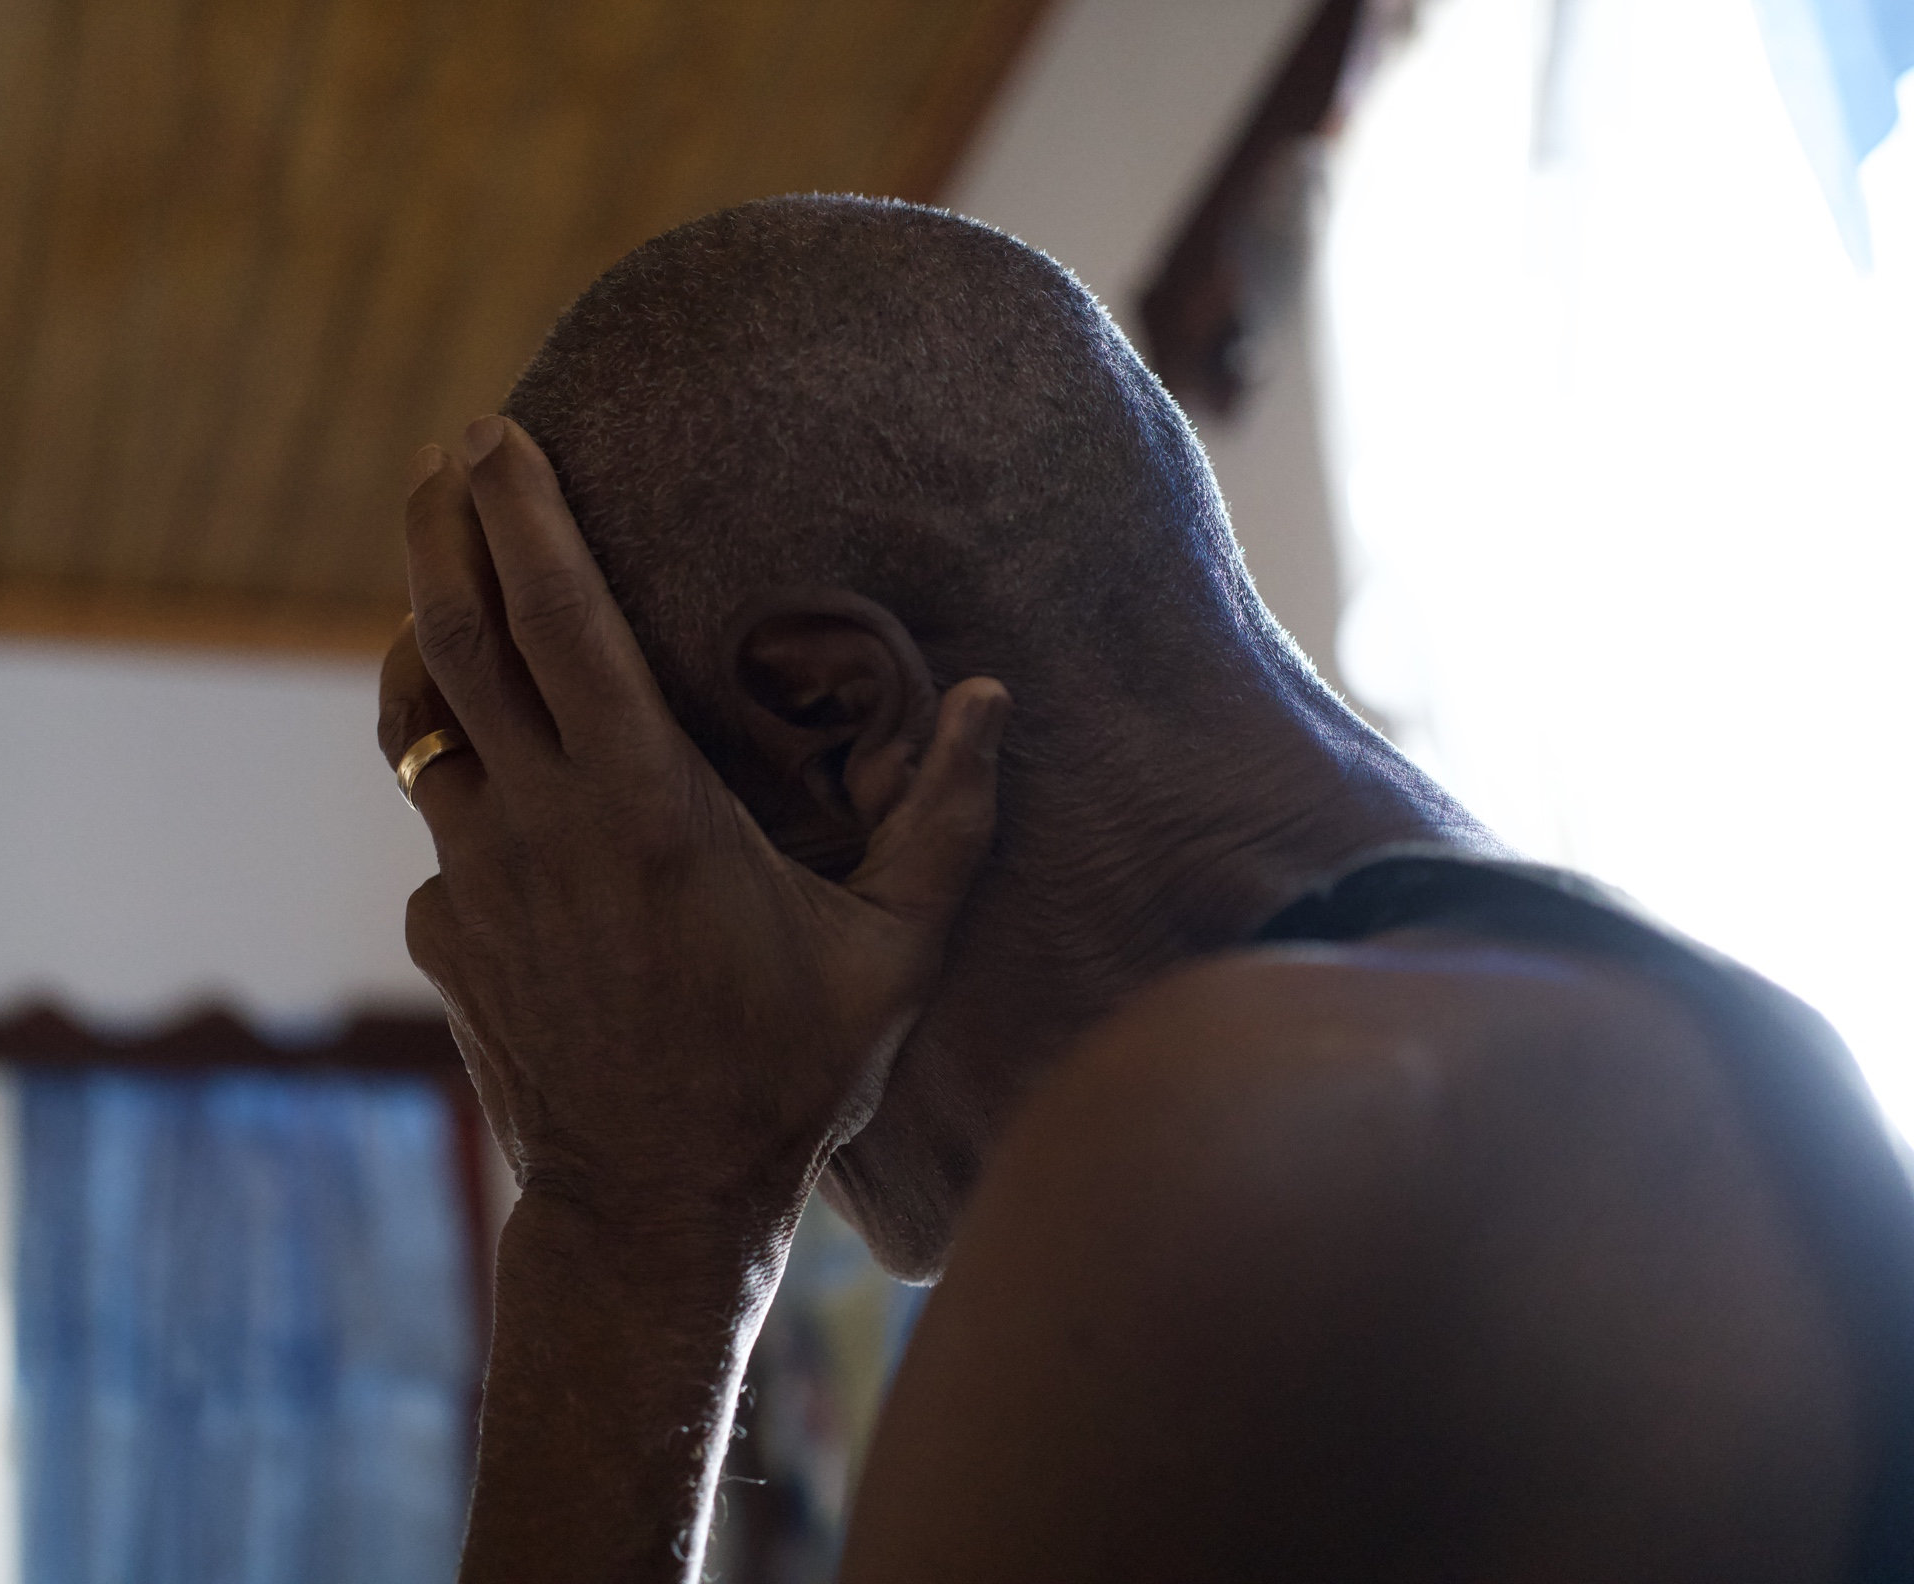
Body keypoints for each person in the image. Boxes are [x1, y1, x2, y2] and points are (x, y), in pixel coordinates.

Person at [374, 195, 1914, 1582]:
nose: (578, 1001)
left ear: (838, 724)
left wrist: (628, 1219)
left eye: (600, 881)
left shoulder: (1251, 1133)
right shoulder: (1632, 1042)